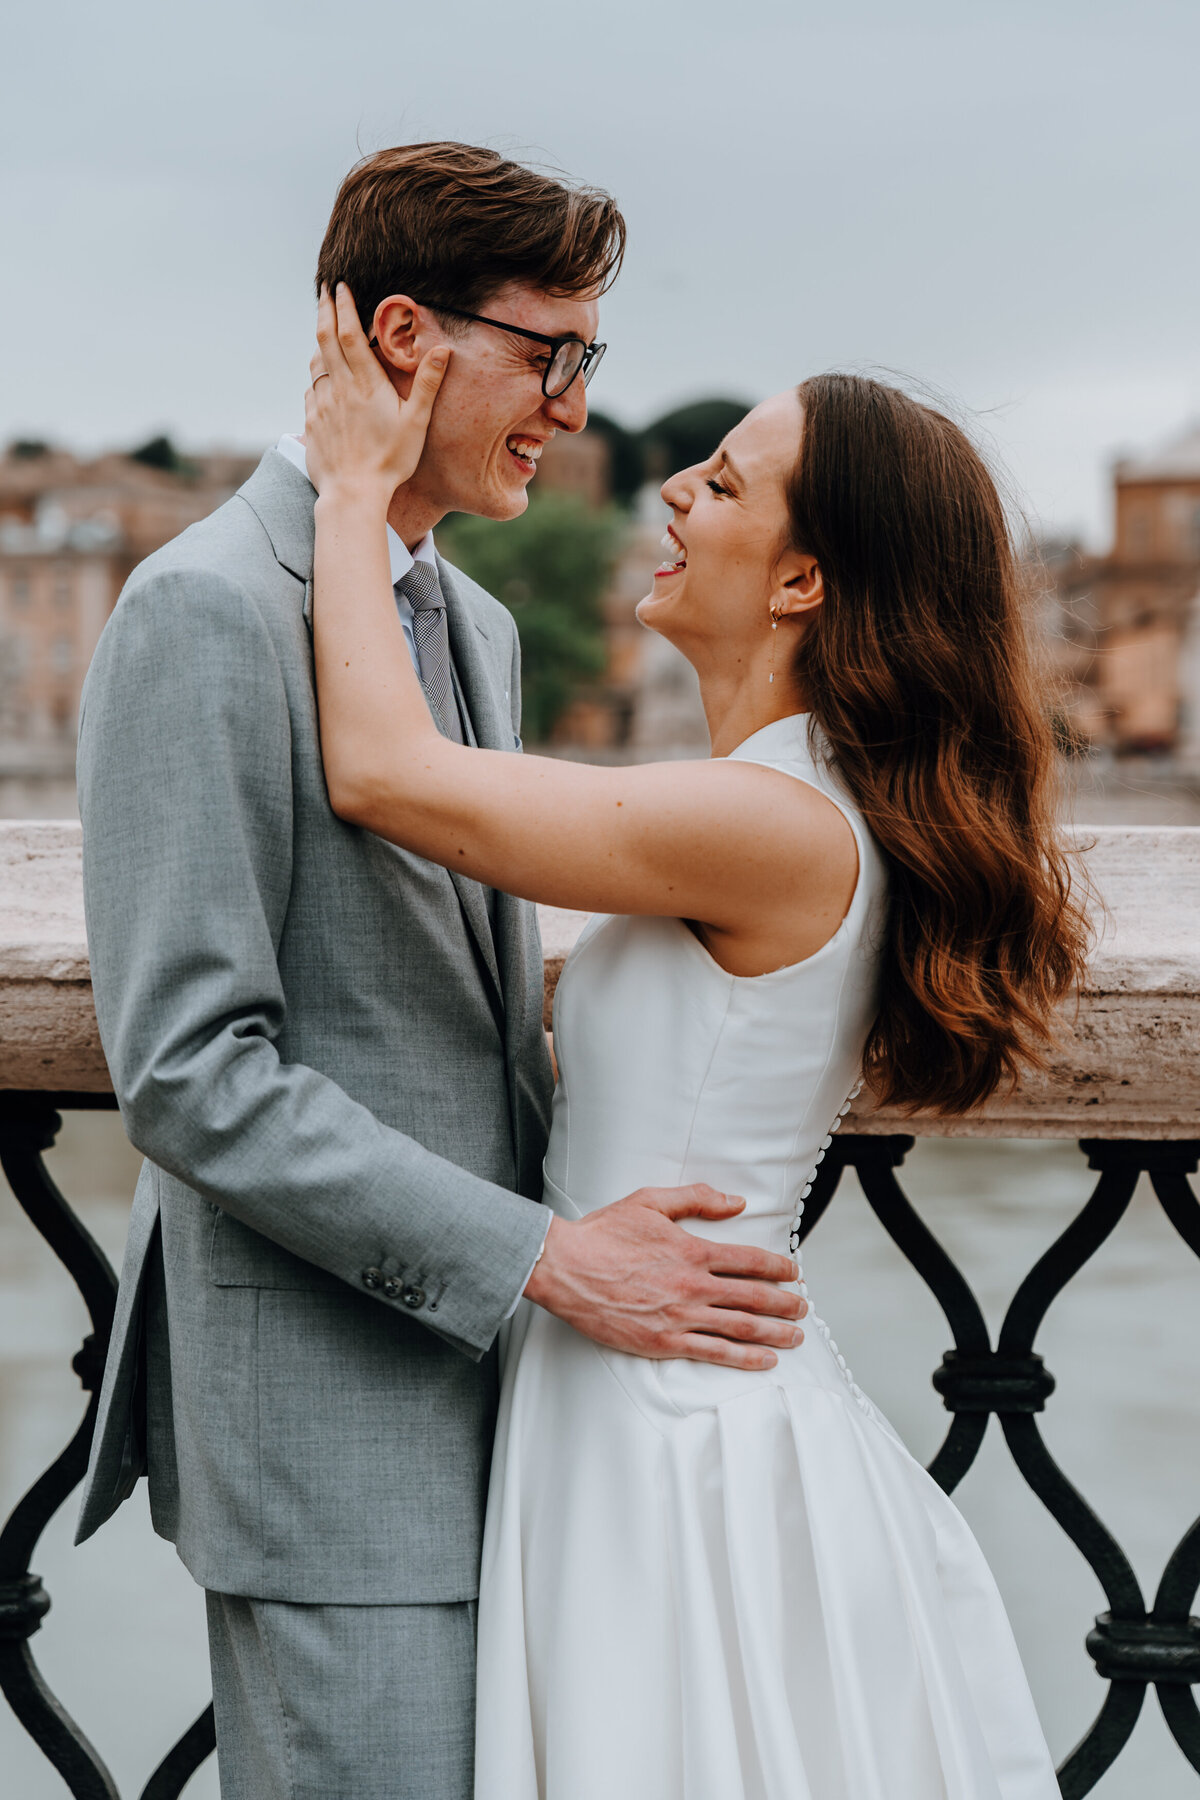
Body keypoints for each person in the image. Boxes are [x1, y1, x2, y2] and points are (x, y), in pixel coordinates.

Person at [73, 144, 805, 1800]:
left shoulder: (474, 625)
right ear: (407, 337)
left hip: (530, 1427)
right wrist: (547, 1260)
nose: (573, 406)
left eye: (588, 361)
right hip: (338, 1429)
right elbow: (190, 1071)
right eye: (550, 356)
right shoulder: (196, 611)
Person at [303, 282, 1089, 1799]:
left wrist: (350, 488)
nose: (670, 486)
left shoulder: (766, 822)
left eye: (721, 481)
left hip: (671, 1426)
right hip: (655, 1374)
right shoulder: (780, 804)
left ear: (801, 584)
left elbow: (390, 777)